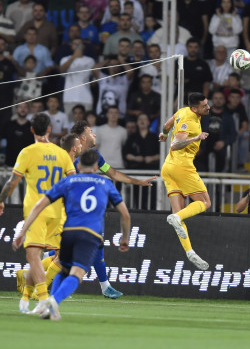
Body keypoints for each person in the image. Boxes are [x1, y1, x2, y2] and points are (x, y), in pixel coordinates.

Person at [12, 149, 131, 321]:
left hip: (67, 233)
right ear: (97, 166)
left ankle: (50, 307)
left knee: (63, 269)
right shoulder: (105, 183)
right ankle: (53, 300)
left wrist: (23, 231)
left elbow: (39, 205)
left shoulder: (68, 181)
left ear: (79, 165)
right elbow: (125, 214)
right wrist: (125, 237)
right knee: (77, 273)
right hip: (90, 234)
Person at [0, 113, 75, 313]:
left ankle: (44, 300)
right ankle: (26, 298)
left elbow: (12, 182)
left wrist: (1, 201)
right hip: (58, 213)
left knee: (33, 255)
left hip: (36, 212)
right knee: (48, 257)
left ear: (31, 130)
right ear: (49, 129)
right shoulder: (61, 153)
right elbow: (73, 183)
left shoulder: (27, 152)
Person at [68, 119, 157, 298]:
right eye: (90, 131)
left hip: (88, 212)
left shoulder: (95, 157)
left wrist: (138, 182)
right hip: (68, 210)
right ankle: (38, 279)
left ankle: (105, 286)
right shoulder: (68, 156)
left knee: (96, 244)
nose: (94, 134)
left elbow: (113, 173)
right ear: (82, 137)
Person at [159, 93, 212, 270]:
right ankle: (175, 217)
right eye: (204, 106)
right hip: (182, 165)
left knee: (180, 215)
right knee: (205, 202)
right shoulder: (189, 120)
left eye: (207, 104)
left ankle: (189, 252)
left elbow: (167, 125)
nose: (208, 107)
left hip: (168, 167)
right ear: (195, 108)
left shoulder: (183, 111)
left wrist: (163, 134)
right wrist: (195, 138)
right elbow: (175, 144)